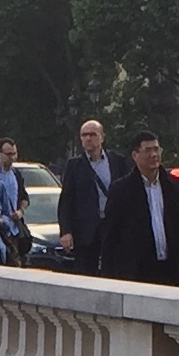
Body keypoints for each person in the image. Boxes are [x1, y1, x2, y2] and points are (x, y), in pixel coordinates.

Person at [97, 130, 179, 285]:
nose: (153, 155)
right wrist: (107, 272)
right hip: (137, 270)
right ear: (135, 155)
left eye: (156, 149)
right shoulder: (121, 190)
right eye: (148, 150)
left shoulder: (173, 186)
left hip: (171, 269)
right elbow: (111, 233)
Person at [54, 117, 118, 273]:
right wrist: (66, 231)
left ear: (102, 137)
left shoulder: (117, 161)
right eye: (84, 135)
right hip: (86, 231)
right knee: (86, 272)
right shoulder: (74, 166)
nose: (88, 138)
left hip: (112, 227)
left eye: (93, 134)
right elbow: (67, 200)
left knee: (114, 270)